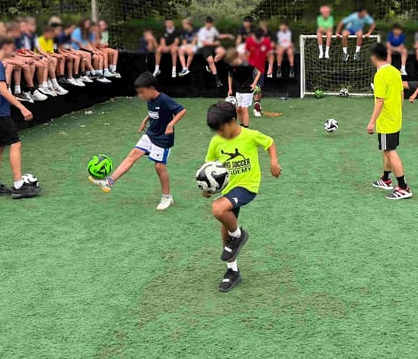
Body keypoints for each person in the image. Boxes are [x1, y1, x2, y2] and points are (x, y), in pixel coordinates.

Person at [203, 102, 281, 292]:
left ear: (233, 120)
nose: (220, 134)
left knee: (218, 209)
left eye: (222, 129)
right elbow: (209, 166)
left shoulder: (250, 135)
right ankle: (232, 271)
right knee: (224, 228)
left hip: (247, 186)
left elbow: (269, 142)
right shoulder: (216, 142)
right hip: (227, 190)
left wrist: (273, 162)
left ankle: (239, 235)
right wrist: (207, 186)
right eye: (217, 131)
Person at [89, 73, 187, 210]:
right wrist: (145, 120)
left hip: (163, 138)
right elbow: (154, 112)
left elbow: (182, 110)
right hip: (151, 133)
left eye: (142, 92)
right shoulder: (150, 99)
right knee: (133, 154)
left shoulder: (164, 99)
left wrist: (171, 125)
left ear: (152, 88)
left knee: (159, 167)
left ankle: (167, 197)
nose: (140, 96)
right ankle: (109, 182)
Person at [0, 35, 40, 198]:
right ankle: (18, 184)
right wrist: (22, 108)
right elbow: (3, 90)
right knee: (15, 144)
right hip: (0, 112)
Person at [366, 43, 411, 200]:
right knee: (387, 150)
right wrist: (398, 111)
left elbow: (380, 101)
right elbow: (401, 94)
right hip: (396, 117)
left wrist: (372, 122)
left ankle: (404, 187)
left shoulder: (380, 75)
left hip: (386, 120)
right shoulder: (394, 71)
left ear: (374, 57)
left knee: (390, 152)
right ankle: (386, 179)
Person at [226, 49, 261, 128]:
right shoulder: (231, 66)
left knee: (244, 109)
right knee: (238, 109)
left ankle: (246, 128)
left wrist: (254, 83)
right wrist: (230, 89)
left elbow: (259, 71)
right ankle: (241, 126)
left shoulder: (247, 65)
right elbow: (230, 76)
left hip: (248, 89)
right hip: (239, 89)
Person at [245, 28, 273, 117]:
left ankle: (257, 106)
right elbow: (246, 53)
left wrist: (270, 67)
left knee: (259, 88)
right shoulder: (249, 41)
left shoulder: (266, 42)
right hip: (250, 67)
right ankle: (254, 105)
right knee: (253, 87)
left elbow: (270, 55)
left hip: (261, 68)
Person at [197, 17, 225, 88]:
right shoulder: (202, 31)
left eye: (210, 23)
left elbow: (219, 36)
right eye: (207, 23)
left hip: (212, 46)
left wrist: (228, 35)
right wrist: (215, 43)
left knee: (222, 52)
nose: (209, 25)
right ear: (205, 23)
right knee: (210, 60)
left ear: (211, 24)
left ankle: (210, 67)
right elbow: (205, 43)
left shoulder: (213, 29)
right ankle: (217, 80)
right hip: (204, 47)